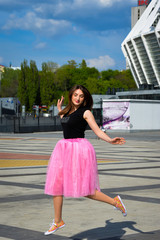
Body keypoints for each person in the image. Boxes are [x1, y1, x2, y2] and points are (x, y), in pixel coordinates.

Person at [44, 85, 127, 236]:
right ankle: (58, 221)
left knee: (86, 190)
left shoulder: (86, 112)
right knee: (56, 185)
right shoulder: (67, 111)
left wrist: (110, 140)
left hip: (79, 150)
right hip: (63, 150)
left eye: (81, 96)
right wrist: (59, 108)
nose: (78, 98)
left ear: (85, 98)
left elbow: (97, 130)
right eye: (75, 95)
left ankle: (115, 202)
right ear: (71, 96)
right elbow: (65, 121)